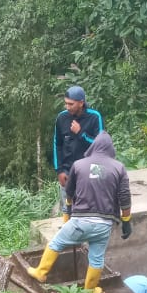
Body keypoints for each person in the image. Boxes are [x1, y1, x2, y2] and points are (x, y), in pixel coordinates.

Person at [28, 131, 132, 293]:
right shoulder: (119, 167)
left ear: (94, 146)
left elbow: (69, 192)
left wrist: (68, 210)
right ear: (110, 149)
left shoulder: (79, 164)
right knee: (96, 258)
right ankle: (90, 290)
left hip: (80, 222)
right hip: (104, 225)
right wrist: (126, 221)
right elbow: (124, 197)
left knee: (57, 243)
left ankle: (41, 272)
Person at [53, 86, 103, 222]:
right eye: (66, 103)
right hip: (69, 169)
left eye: (71, 104)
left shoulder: (95, 116)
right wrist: (59, 170)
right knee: (67, 206)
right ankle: (67, 228)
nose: (67, 107)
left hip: (93, 167)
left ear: (81, 103)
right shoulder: (61, 117)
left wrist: (81, 133)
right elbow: (57, 144)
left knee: (93, 205)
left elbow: (100, 145)